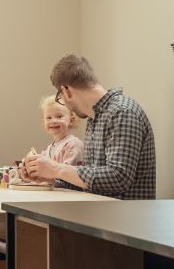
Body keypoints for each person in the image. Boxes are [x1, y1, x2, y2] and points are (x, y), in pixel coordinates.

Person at [22, 54, 155, 199]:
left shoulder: (122, 113)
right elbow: (92, 182)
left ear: (66, 91)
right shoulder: (95, 118)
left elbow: (118, 178)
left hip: (123, 217)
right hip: (101, 213)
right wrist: (50, 178)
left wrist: (56, 169)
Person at [34, 93, 83, 166]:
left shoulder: (73, 145)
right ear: (44, 122)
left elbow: (69, 173)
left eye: (59, 116)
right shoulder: (46, 150)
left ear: (71, 120)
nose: (53, 121)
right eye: (49, 118)